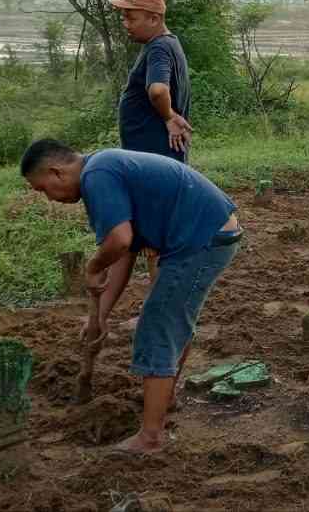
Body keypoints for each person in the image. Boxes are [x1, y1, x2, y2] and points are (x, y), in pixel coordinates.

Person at [20, 139, 240, 454]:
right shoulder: (103, 168)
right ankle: (166, 397)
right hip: (209, 233)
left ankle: (150, 438)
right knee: (171, 322)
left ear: (56, 173)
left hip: (200, 239)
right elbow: (126, 252)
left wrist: (94, 265)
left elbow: (119, 241)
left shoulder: (97, 175)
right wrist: (100, 316)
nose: (49, 199)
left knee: (157, 327)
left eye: (43, 190)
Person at [111, 0, 193, 163]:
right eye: (124, 18)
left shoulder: (158, 48)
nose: (126, 24)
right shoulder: (167, 42)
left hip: (154, 153)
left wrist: (169, 117)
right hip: (155, 152)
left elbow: (158, 90)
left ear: (154, 19)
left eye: (131, 19)